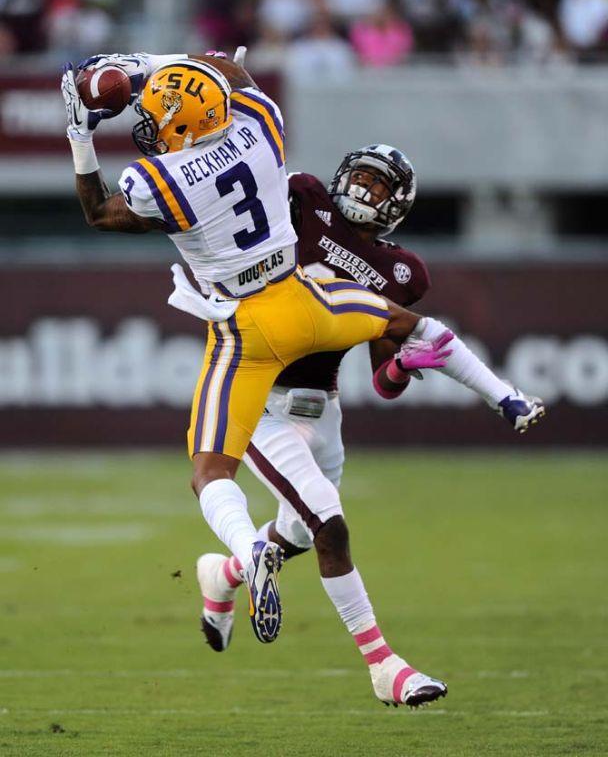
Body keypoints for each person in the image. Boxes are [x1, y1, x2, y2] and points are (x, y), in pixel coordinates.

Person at [60, 49, 464, 707]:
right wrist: (154, 65)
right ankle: (383, 665)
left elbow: (100, 210)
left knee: (265, 505)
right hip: (293, 317)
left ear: (185, 128)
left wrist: (81, 131)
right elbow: (227, 67)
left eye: (164, 114)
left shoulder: (166, 179)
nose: (153, 120)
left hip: (248, 334)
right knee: (329, 514)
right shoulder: (259, 121)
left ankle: (229, 566)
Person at [169, 143, 546, 707]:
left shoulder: (401, 272)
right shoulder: (303, 204)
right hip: (262, 397)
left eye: (378, 186)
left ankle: (223, 574)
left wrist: (401, 366)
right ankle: (384, 666)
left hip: (323, 408)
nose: (365, 192)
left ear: (398, 204)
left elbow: (385, 380)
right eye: (361, 179)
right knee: (329, 526)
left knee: (298, 532)